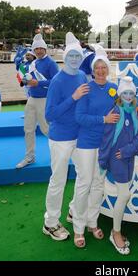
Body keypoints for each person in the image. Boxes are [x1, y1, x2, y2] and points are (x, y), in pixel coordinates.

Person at [42, 32, 89, 241]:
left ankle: (73, 211)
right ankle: (50, 222)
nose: (74, 59)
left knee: (84, 176)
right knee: (58, 180)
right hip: (60, 138)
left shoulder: (81, 76)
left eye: (77, 56)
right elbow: (50, 115)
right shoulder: (57, 81)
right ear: (64, 56)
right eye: (70, 55)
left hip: (79, 136)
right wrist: (73, 97)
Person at [71, 50, 119, 248]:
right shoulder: (86, 89)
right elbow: (79, 117)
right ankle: (78, 228)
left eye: (103, 67)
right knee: (84, 183)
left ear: (108, 70)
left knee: (98, 183)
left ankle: (92, 222)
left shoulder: (114, 88)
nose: (100, 71)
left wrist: (137, 108)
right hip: (86, 144)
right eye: (97, 68)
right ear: (93, 70)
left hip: (105, 144)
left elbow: (124, 108)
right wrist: (103, 120)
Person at [99, 76, 138, 255]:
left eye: (130, 93)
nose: (127, 96)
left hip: (128, 157)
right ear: (119, 94)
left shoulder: (135, 112)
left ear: (134, 95)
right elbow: (107, 138)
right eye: (124, 92)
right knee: (124, 194)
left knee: (124, 194)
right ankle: (115, 232)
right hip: (116, 158)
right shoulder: (115, 111)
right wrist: (104, 160)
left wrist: (128, 150)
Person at [16, 34, 59, 169]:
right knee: (28, 129)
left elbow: (56, 82)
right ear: (33, 50)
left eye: (41, 48)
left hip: (44, 100)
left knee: (47, 129)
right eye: (36, 49)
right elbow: (30, 78)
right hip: (31, 99)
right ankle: (30, 156)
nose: (39, 51)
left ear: (45, 49)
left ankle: (59, 154)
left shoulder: (51, 63)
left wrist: (38, 83)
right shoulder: (34, 62)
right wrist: (25, 81)